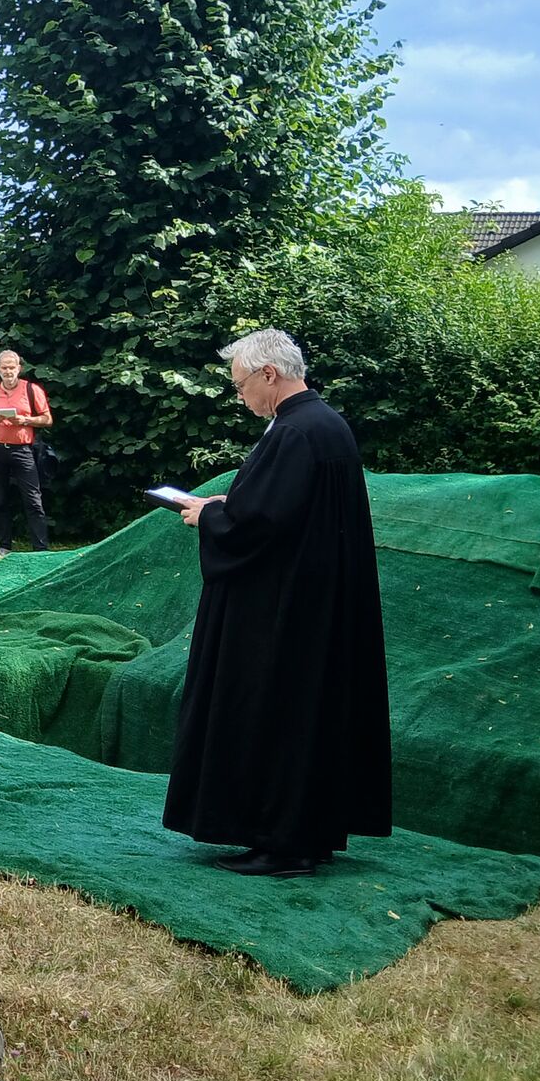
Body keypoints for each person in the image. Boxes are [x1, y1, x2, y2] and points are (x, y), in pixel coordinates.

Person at [163, 329, 391, 879]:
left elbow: (260, 525)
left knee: (276, 712)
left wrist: (210, 516)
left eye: (241, 385)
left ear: (270, 374)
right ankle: (305, 837)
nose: (241, 396)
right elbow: (291, 509)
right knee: (308, 715)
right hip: (318, 601)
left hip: (285, 609)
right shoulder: (326, 425)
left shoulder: (292, 431)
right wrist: (231, 503)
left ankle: (281, 843)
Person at [0, 350, 52, 556]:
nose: (8, 371)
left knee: (33, 500)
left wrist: (25, 420)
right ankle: (4, 546)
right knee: (0, 500)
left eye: (12, 367)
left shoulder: (31, 389)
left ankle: (40, 549)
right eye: (4, 367)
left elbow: (47, 419)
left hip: (23, 450)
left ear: (19, 368)